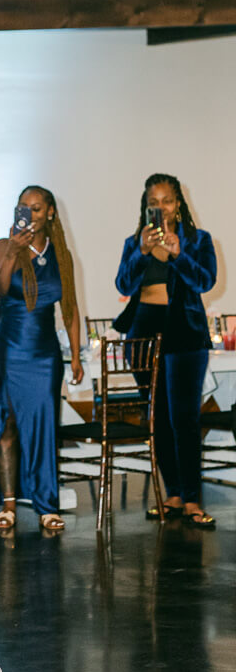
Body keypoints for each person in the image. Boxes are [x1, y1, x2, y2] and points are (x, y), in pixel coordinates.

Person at [0, 186, 83, 533]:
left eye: (37, 209)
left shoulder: (61, 254)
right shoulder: (4, 246)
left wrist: (76, 356)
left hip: (44, 353)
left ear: (50, 212)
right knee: (7, 426)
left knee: (44, 428)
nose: (31, 214)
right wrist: (13, 252)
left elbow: (71, 310)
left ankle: (45, 505)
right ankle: (8, 503)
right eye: (24, 207)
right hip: (8, 348)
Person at [113, 173, 217, 528]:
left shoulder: (197, 240)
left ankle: (192, 499)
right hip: (143, 334)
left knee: (185, 420)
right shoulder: (134, 242)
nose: (161, 208)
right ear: (146, 207)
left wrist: (178, 254)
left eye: (167, 201)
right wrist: (141, 253)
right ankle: (171, 494)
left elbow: (205, 281)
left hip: (185, 333)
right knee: (157, 419)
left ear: (178, 204)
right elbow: (123, 284)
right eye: (153, 203)